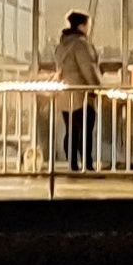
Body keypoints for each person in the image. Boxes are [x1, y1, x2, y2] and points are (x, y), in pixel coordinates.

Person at [47, 11, 107, 170]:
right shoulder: (81, 44)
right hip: (82, 95)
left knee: (71, 130)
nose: (89, 28)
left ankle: (72, 163)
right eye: (88, 25)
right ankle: (87, 163)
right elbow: (88, 69)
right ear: (82, 25)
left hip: (66, 94)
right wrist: (98, 88)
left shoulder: (62, 45)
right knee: (85, 131)